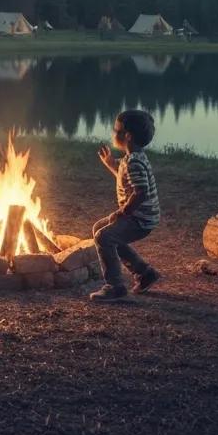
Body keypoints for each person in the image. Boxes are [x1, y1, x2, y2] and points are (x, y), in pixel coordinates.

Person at [88, 109, 162, 303]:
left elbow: (140, 192)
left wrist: (122, 213)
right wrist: (110, 163)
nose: (113, 133)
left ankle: (115, 286)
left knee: (104, 236)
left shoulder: (134, 162)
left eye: (116, 130)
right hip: (140, 216)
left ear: (127, 136)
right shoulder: (133, 158)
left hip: (140, 219)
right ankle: (144, 273)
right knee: (100, 229)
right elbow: (125, 178)